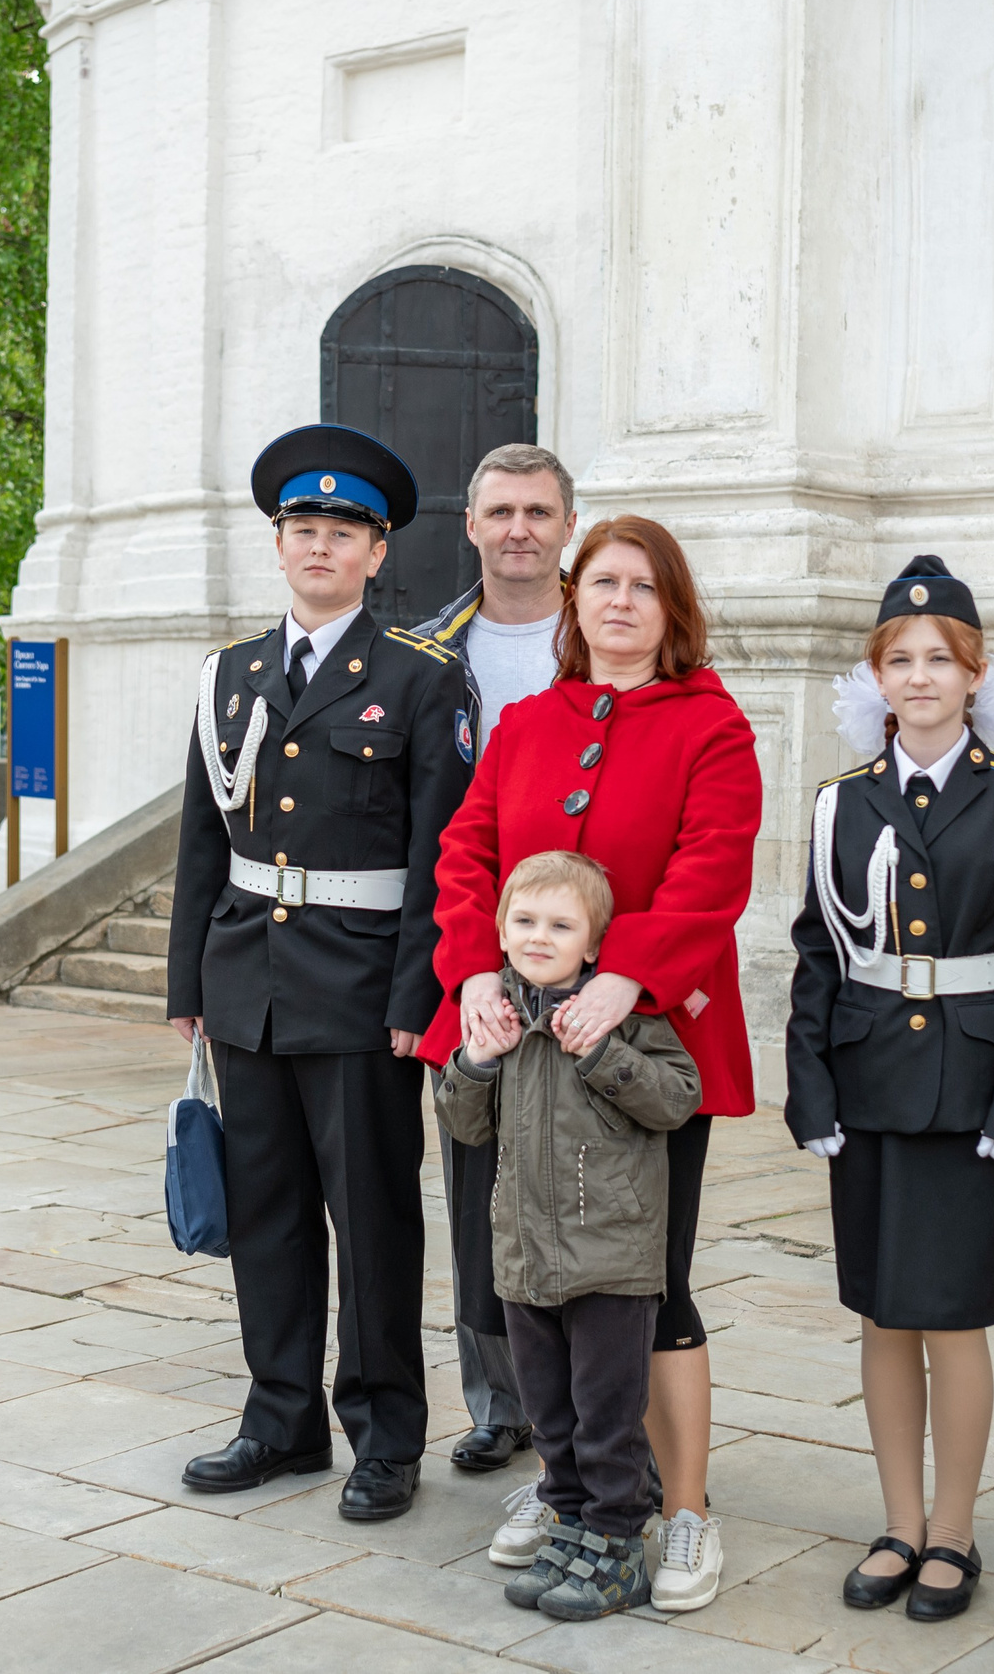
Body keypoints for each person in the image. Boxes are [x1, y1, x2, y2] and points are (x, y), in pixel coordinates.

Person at [421, 513, 761, 1613]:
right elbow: (466, 852)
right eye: (601, 582)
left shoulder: (713, 727)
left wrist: (630, 977)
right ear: (574, 603)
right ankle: (572, 1491)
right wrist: (473, 968)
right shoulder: (524, 723)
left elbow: (713, 871)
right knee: (529, 1276)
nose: (618, 601)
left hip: (644, 1039)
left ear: (673, 610)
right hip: (512, 1043)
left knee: (645, 1282)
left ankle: (686, 1505)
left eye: (642, 587)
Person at [166, 422, 472, 1523]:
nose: (320, 546)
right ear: (280, 542)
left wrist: (416, 998)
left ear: (377, 553)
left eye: (343, 531)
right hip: (248, 979)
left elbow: (442, 853)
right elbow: (204, 839)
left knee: (375, 1221)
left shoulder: (420, 679)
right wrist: (187, 987)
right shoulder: (231, 675)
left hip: (359, 990)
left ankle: (386, 1434)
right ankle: (279, 1416)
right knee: (269, 1214)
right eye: (303, 528)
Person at [786, 557, 994, 1624]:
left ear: (974, 674)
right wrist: (807, 1088)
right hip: (866, 1086)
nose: (918, 676)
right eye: (898, 660)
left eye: (939, 659)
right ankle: (897, 1519)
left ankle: (953, 1528)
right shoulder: (838, 804)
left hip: (970, 1093)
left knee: (950, 1318)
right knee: (879, 1314)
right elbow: (817, 954)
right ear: (874, 677)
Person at [432, 850, 702, 1621]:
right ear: (501, 931)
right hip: (524, 1259)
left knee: (605, 1412)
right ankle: (571, 1523)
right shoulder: (499, 1021)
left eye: (560, 924)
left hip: (611, 1258)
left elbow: (678, 1098)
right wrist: (478, 1058)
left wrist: (604, 1055)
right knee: (550, 1412)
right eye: (523, 921)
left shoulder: (628, 1020)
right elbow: (461, 1121)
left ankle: (616, 1543)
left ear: (594, 943)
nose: (539, 936)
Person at [410, 441, 579, 1476]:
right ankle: (496, 1401)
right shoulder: (427, 650)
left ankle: (584, 1402)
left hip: (584, 958)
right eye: (500, 510)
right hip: (474, 951)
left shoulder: (609, 633)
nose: (519, 528)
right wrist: (458, 960)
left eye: (539, 511)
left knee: (578, 1184)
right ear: (469, 525)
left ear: (566, 526)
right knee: (476, 1192)